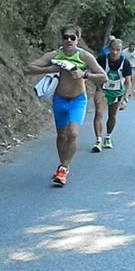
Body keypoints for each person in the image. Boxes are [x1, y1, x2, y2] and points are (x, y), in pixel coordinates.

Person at [25, 25, 107, 186]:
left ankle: (64, 167)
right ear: (61, 39)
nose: (69, 40)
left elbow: (103, 77)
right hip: (60, 100)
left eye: (72, 37)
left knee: (74, 134)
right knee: (61, 136)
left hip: (78, 100)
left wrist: (85, 74)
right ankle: (62, 165)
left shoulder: (84, 56)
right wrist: (51, 68)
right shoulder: (55, 54)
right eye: (66, 37)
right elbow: (28, 68)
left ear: (78, 39)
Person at [91, 38, 132, 152]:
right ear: (109, 49)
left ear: (121, 50)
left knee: (112, 116)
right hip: (103, 91)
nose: (115, 52)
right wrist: (98, 88)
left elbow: (128, 83)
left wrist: (125, 99)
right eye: (113, 49)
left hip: (117, 93)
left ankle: (108, 137)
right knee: (99, 113)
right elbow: (93, 74)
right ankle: (98, 140)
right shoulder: (102, 59)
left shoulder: (125, 62)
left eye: (118, 50)